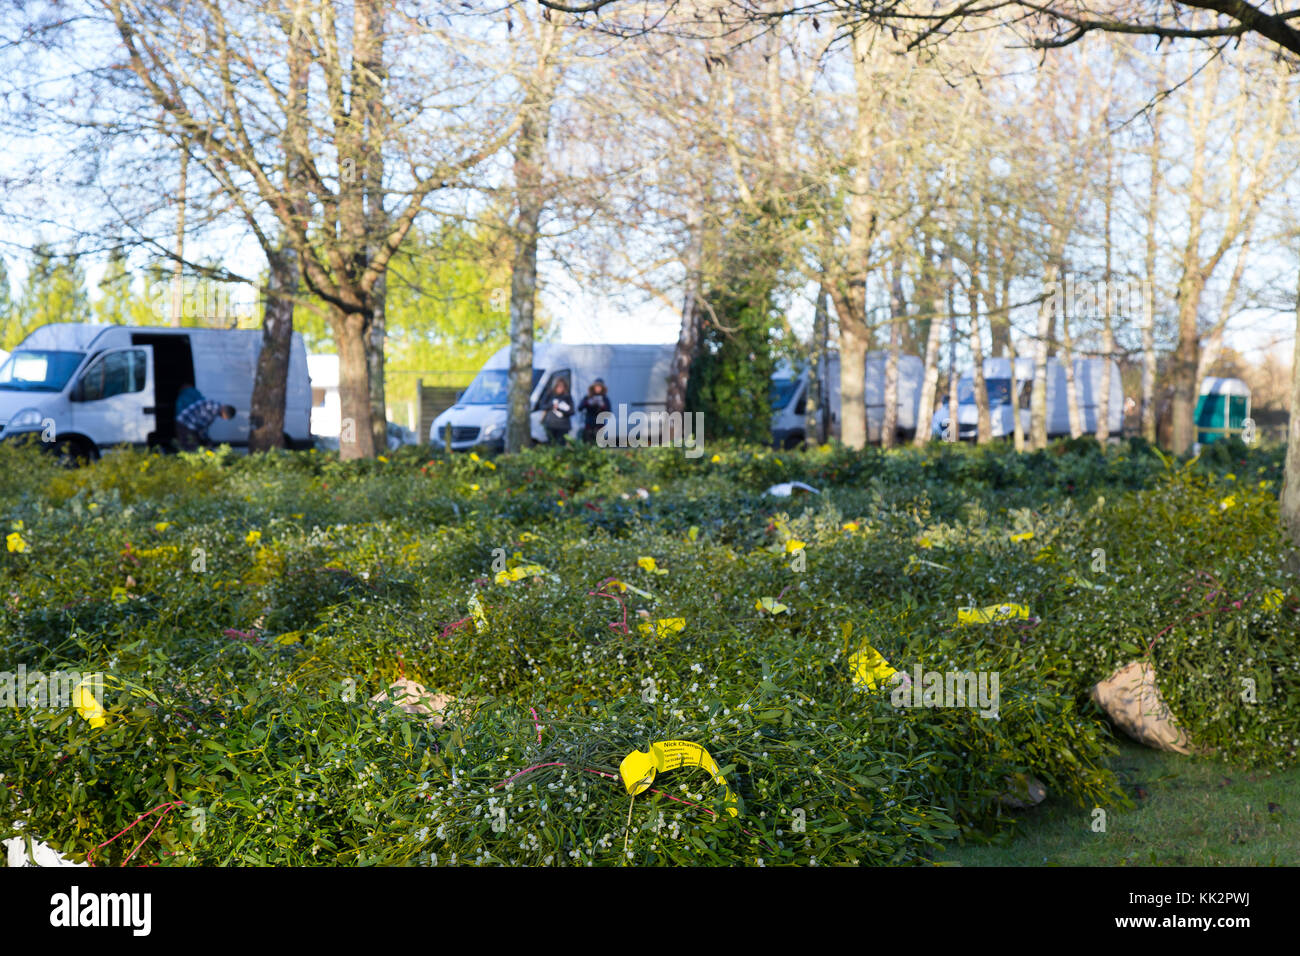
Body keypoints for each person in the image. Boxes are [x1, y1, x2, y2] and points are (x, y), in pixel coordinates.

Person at [175, 386, 236, 451]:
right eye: (225, 418)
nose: (223, 419)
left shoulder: (214, 405)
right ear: (224, 414)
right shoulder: (213, 410)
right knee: (191, 447)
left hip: (186, 423)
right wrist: (206, 441)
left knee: (194, 444)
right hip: (185, 423)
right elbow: (201, 427)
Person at [578, 379, 612, 445]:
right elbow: (580, 408)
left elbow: (609, 413)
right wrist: (588, 403)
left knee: (599, 443)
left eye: (599, 387)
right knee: (588, 443)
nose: (598, 388)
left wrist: (602, 406)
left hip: (600, 425)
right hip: (589, 424)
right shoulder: (587, 397)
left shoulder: (605, 398)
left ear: (602, 388)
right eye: (596, 387)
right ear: (593, 388)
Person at [541, 378, 574, 445]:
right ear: (555, 387)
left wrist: (559, 409)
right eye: (558, 386)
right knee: (551, 445)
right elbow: (543, 406)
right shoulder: (550, 395)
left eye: (562, 387)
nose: (560, 388)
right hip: (551, 425)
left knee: (561, 446)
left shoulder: (567, 397)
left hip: (563, 426)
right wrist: (552, 406)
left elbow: (572, 411)